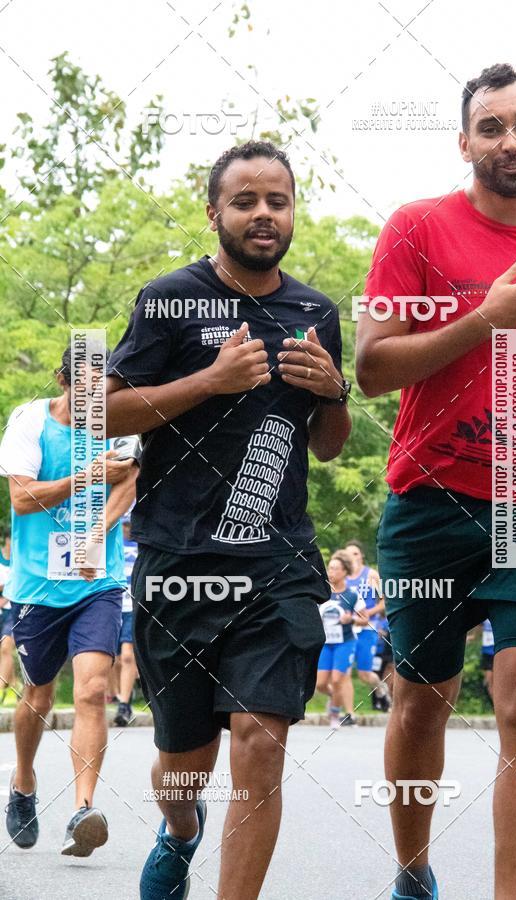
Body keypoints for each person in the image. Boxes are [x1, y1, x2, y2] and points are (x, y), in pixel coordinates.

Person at [356, 63, 516, 900]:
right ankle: (414, 871)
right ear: (464, 143)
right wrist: (482, 317)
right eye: (490, 127)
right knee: (424, 699)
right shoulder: (415, 228)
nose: (509, 140)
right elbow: (373, 370)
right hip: (432, 499)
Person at [104, 140, 351, 900]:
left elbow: (329, 445)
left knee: (261, 741)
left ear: (292, 211)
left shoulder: (314, 311)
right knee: (185, 764)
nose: (263, 214)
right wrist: (208, 381)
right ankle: (180, 831)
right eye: (245, 201)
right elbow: (98, 412)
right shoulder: (167, 299)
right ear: (215, 213)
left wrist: (335, 392)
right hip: (178, 563)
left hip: (276, 563)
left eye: (276, 200)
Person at [0, 345, 139, 856]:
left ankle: (82, 810)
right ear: (63, 379)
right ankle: (23, 782)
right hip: (37, 585)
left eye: (105, 387)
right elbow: (21, 496)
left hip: (96, 583)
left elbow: (127, 480)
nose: (97, 398)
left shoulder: (119, 421)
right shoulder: (29, 421)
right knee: (37, 693)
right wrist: (83, 479)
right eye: (87, 385)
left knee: (91, 689)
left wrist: (96, 532)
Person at [316, 551, 366, 728]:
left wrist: (350, 619)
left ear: (345, 572)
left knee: (337, 680)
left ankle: (335, 715)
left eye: (336, 569)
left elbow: (365, 619)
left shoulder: (352, 595)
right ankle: (334, 697)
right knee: (321, 684)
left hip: (345, 642)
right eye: (329, 568)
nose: (331, 572)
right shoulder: (322, 593)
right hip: (325, 643)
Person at [345, 540, 391, 712]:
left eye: (355, 553)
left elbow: (384, 602)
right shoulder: (343, 576)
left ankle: (381, 688)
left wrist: (368, 614)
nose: (352, 557)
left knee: (364, 674)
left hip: (367, 627)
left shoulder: (371, 575)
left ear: (361, 555)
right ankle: (342, 710)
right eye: (348, 553)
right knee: (343, 671)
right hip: (346, 629)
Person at [113, 514, 139, 727]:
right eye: (125, 524)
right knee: (114, 658)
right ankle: (123, 694)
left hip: (133, 605)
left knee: (129, 655)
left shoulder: (142, 542)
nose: (127, 528)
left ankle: (123, 705)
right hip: (111, 604)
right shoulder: (110, 541)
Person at [0, 528, 16, 704]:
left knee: (6, 647)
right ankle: (13, 686)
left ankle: (1, 689)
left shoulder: (20, 562)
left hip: (13, 610)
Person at [480, 618, 495, 703]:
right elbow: (478, 627)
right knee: (488, 682)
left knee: (496, 682)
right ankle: (496, 707)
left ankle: (498, 708)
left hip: (497, 650)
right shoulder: (483, 613)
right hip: (487, 652)